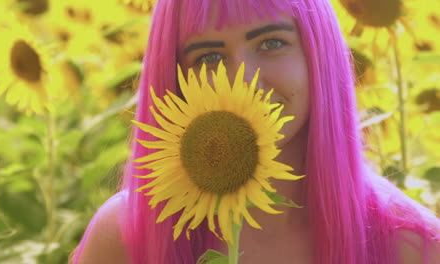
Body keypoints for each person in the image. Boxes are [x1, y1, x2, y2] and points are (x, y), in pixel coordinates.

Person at [69, 0, 440, 263]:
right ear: (173, 82)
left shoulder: (410, 246)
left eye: (272, 43)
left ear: (318, 55)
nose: (244, 80)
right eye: (209, 57)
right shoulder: (125, 237)